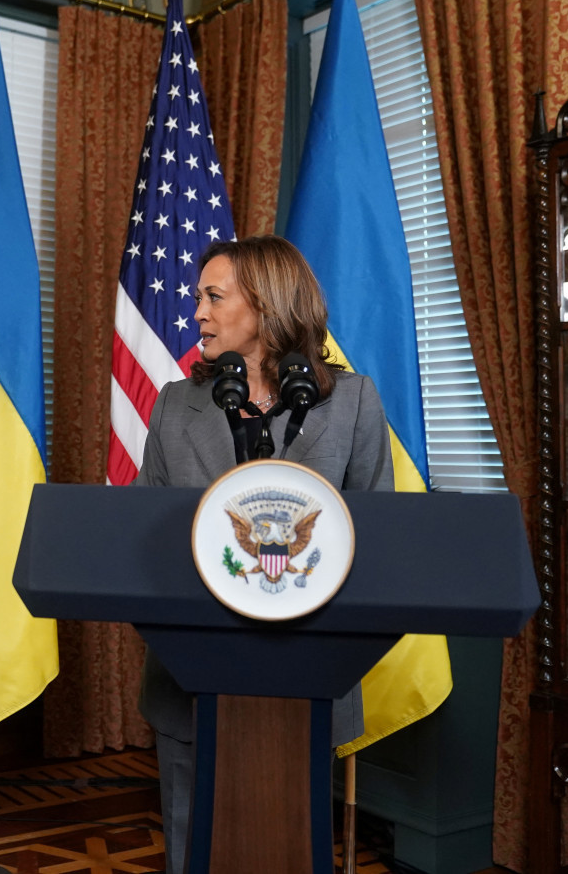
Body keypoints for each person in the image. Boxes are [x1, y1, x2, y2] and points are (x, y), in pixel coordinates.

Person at [133, 235, 393, 873]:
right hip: (193, 675)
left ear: (268, 306)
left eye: (214, 297)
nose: (198, 312)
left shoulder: (352, 403)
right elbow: (141, 537)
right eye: (199, 297)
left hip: (308, 675)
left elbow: (379, 538)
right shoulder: (174, 407)